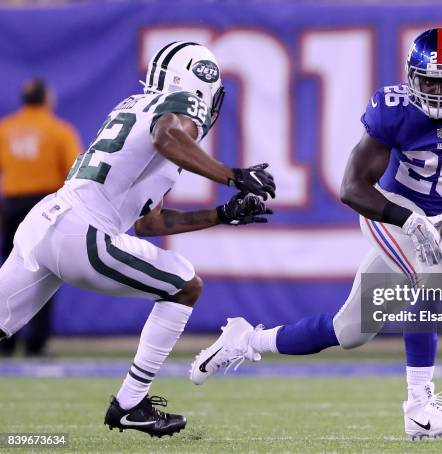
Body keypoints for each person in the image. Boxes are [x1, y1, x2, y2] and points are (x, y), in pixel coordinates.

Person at [189, 28, 442, 441]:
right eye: (429, 80)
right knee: (431, 275)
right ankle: (419, 408)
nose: (438, 91)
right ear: (412, 77)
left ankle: (245, 340)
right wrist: (406, 220)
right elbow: (353, 187)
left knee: (349, 332)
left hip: (435, 216)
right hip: (388, 211)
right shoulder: (392, 111)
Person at [0, 41, 275, 437]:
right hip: (83, 231)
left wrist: (222, 214)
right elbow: (167, 136)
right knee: (184, 283)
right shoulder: (181, 106)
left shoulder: (134, 106)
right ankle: (130, 402)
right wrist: (231, 174)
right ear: (201, 82)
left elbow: (150, 224)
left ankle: (131, 403)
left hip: (44, 222)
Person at [0, 79, 81, 357]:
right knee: (45, 273)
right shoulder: (59, 131)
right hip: (46, 206)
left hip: (11, 206)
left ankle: (6, 341)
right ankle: (37, 342)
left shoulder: (6, 129)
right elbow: (75, 174)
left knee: (10, 271)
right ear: (46, 98)